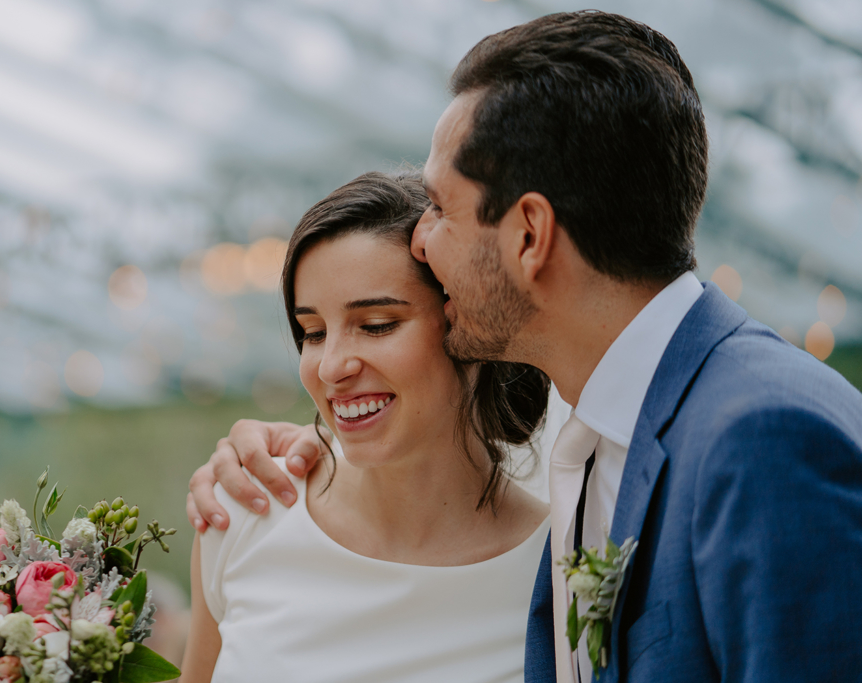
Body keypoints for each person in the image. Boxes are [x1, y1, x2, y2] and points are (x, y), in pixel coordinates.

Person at [187, 11, 862, 683]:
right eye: (312, 331)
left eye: (442, 209)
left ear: (530, 234)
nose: (421, 240)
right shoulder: (597, 443)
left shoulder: (762, 436)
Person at [180, 171, 554, 682]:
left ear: (469, 328)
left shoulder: (559, 571)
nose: (331, 366)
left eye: (376, 325)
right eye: (312, 332)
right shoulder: (243, 514)